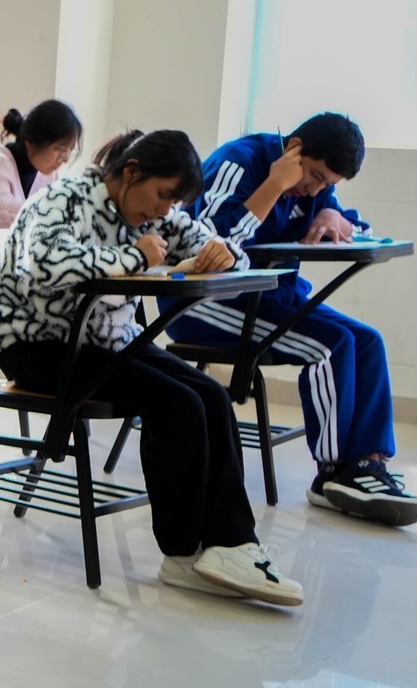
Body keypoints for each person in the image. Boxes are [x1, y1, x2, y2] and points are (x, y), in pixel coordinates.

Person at [0, 129, 303, 605]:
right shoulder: (65, 197)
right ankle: (182, 553)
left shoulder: (155, 213)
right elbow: (44, 264)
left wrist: (224, 253)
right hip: (36, 343)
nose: (164, 210)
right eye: (162, 194)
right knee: (177, 405)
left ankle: (232, 544)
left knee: (212, 397)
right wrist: (134, 255)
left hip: (105, 340)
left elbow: (209, 241)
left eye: (173, 202)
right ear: (131, 172)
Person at [166, 113, 412, 525]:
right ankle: (333, 472)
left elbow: (347, 219)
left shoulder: (315, 187)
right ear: (294, 148)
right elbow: (206, 241)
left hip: (270, 300)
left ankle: (367, 464)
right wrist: (274, 186)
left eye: (327, 184)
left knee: (367, 340)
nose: (314, 189)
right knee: (331, 345)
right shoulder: (238, 162)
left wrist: (333, 216)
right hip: (206, 303)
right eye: (314, 176)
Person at [0, 99, 81, 232]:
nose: (65, 159)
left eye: (69, 152)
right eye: (60, 150)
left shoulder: (50, 176)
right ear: (31, 142)